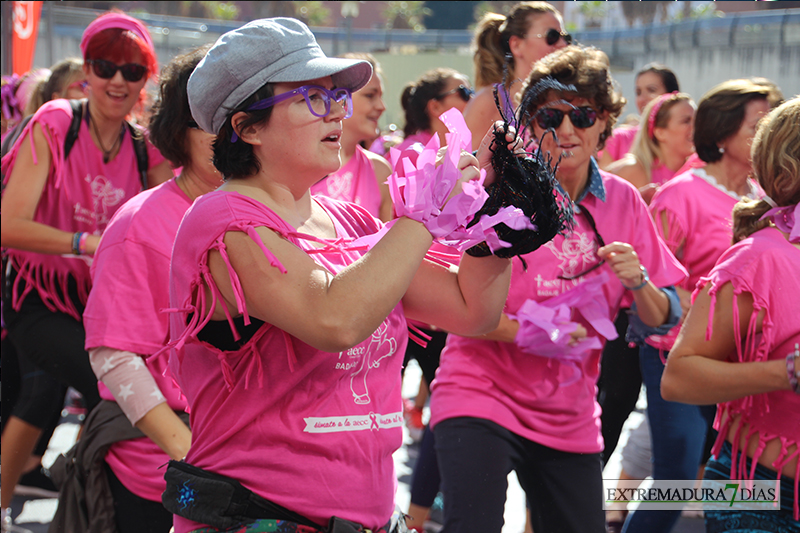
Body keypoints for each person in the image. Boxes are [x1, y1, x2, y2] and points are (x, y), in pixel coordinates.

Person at [163, 17, 523, 533]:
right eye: (312, 98)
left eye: (337, 96)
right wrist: (422, 215)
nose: (336, 109)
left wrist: (501, 228)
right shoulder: (222, 219)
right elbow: (334, 319)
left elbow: (472, 310)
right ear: (247, 128)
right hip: (260, 519)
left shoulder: (351, 220)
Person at [429, 45, 686, 533]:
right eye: (550, 116)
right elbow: (448, 302)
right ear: (529, 123)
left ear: (604, 121)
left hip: (569, 411)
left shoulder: (625, 202)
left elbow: (667, 316)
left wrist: (640, 282)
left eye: (583, 115)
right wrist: (525, 332)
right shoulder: (496, 192)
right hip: (481, 393)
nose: (567, 130)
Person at [0, 10, 171, 525]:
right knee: (109, 396)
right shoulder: (56, 121)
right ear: (87, 73)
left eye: (132, 70)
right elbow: (8, 224)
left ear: (145, 79)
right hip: (37, 298)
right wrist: (87, 241)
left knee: (81, 403)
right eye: (105, 66)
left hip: (103, 307)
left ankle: (83, 501)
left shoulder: (145, 148)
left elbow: (175, 215)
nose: (117, 81)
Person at [48, 45, 220, 533]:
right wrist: (192, 455)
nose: (233, 137)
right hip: (166, 471)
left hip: (242, 467)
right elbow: (114, 355)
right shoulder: (141, 223)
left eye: (244, 119)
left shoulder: (266, 216)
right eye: (214, 122)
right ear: (178, 133)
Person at [622, 79, 772, 533]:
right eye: (755, 125)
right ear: (723, 134)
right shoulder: (681, 193)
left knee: (736, 480)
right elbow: (649, 281)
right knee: (678, 479)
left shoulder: (766, 198)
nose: (765, 133)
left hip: (739, 364)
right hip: (676, 353)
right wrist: (694, 300)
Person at [661, 96, 800, 532]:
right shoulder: (761, 258)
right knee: (666, 475)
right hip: (759, 495)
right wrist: (788, 372)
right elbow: (678, 377)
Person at [395, 66, 474, 532]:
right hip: (413, 301)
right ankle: (414, 517)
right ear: (435, 106)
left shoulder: (449, 151)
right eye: (461, 93)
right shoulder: (414, 155)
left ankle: (416, 515)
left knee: (440, 407)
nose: (470, 99)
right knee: (439, 409)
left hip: (437, 299)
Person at [463, 1, 569, 150]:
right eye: (552, 36)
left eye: (566, 37)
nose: (563, 44)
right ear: (516, 45)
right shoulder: (489, 101)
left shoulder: (567, 99)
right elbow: (461, 168)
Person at [310, 53, 392, 221]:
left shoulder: (380, 170)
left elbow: (387, 244)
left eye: (381, 97)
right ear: (339, 97)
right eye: (370, 95)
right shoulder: (298, 164)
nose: (381, 106)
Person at [605, 92, 695, 204]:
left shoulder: (699, 172)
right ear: (660, 133)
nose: (695, 127)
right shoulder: (634, 170)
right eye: (686, 121)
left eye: (697, 120)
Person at [597, 63, 680, 169]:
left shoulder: (684, 139)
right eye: (638, 92)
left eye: (651, 90)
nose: (642, 99)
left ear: (672, 96)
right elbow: (604, 183)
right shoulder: (618, 139)